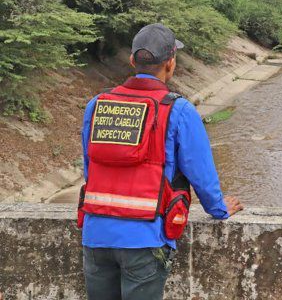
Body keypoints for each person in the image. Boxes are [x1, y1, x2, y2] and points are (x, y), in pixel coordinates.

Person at [78, 23, 243, 300]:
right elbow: (201, 174)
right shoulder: (178, 110)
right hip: (145, 238)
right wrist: (219, 209)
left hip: (96, 235)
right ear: (170, 63)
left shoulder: (97, 104)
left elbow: (89, 167)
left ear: (132, 61)